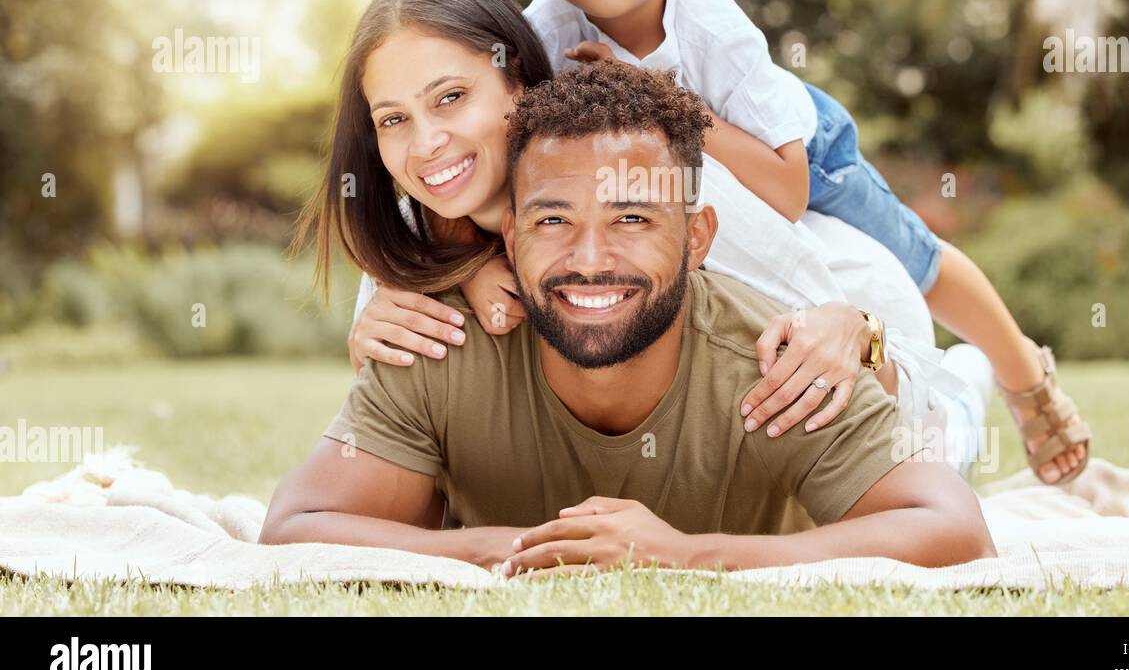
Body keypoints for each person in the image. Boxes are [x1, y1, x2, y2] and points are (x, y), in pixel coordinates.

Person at [506, 0, 1090, 483]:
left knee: (917, 260)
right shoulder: (538, 39)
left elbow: (786, 191)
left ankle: (1024, 375)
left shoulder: (713, 26)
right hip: (691, 182)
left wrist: (657, 95)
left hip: (799, 145)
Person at [261, 63, 996, 572]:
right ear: (509, 237)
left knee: (947, 430)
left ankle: (975, 378)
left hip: (882, 338)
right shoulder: (444, 341)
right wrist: (528, 547)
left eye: (633, 218)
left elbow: (957, 528)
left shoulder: (780, 362)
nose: (590, 258)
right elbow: (296, 526)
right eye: (552, 221)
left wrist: (683, 555)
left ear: (699, 238)